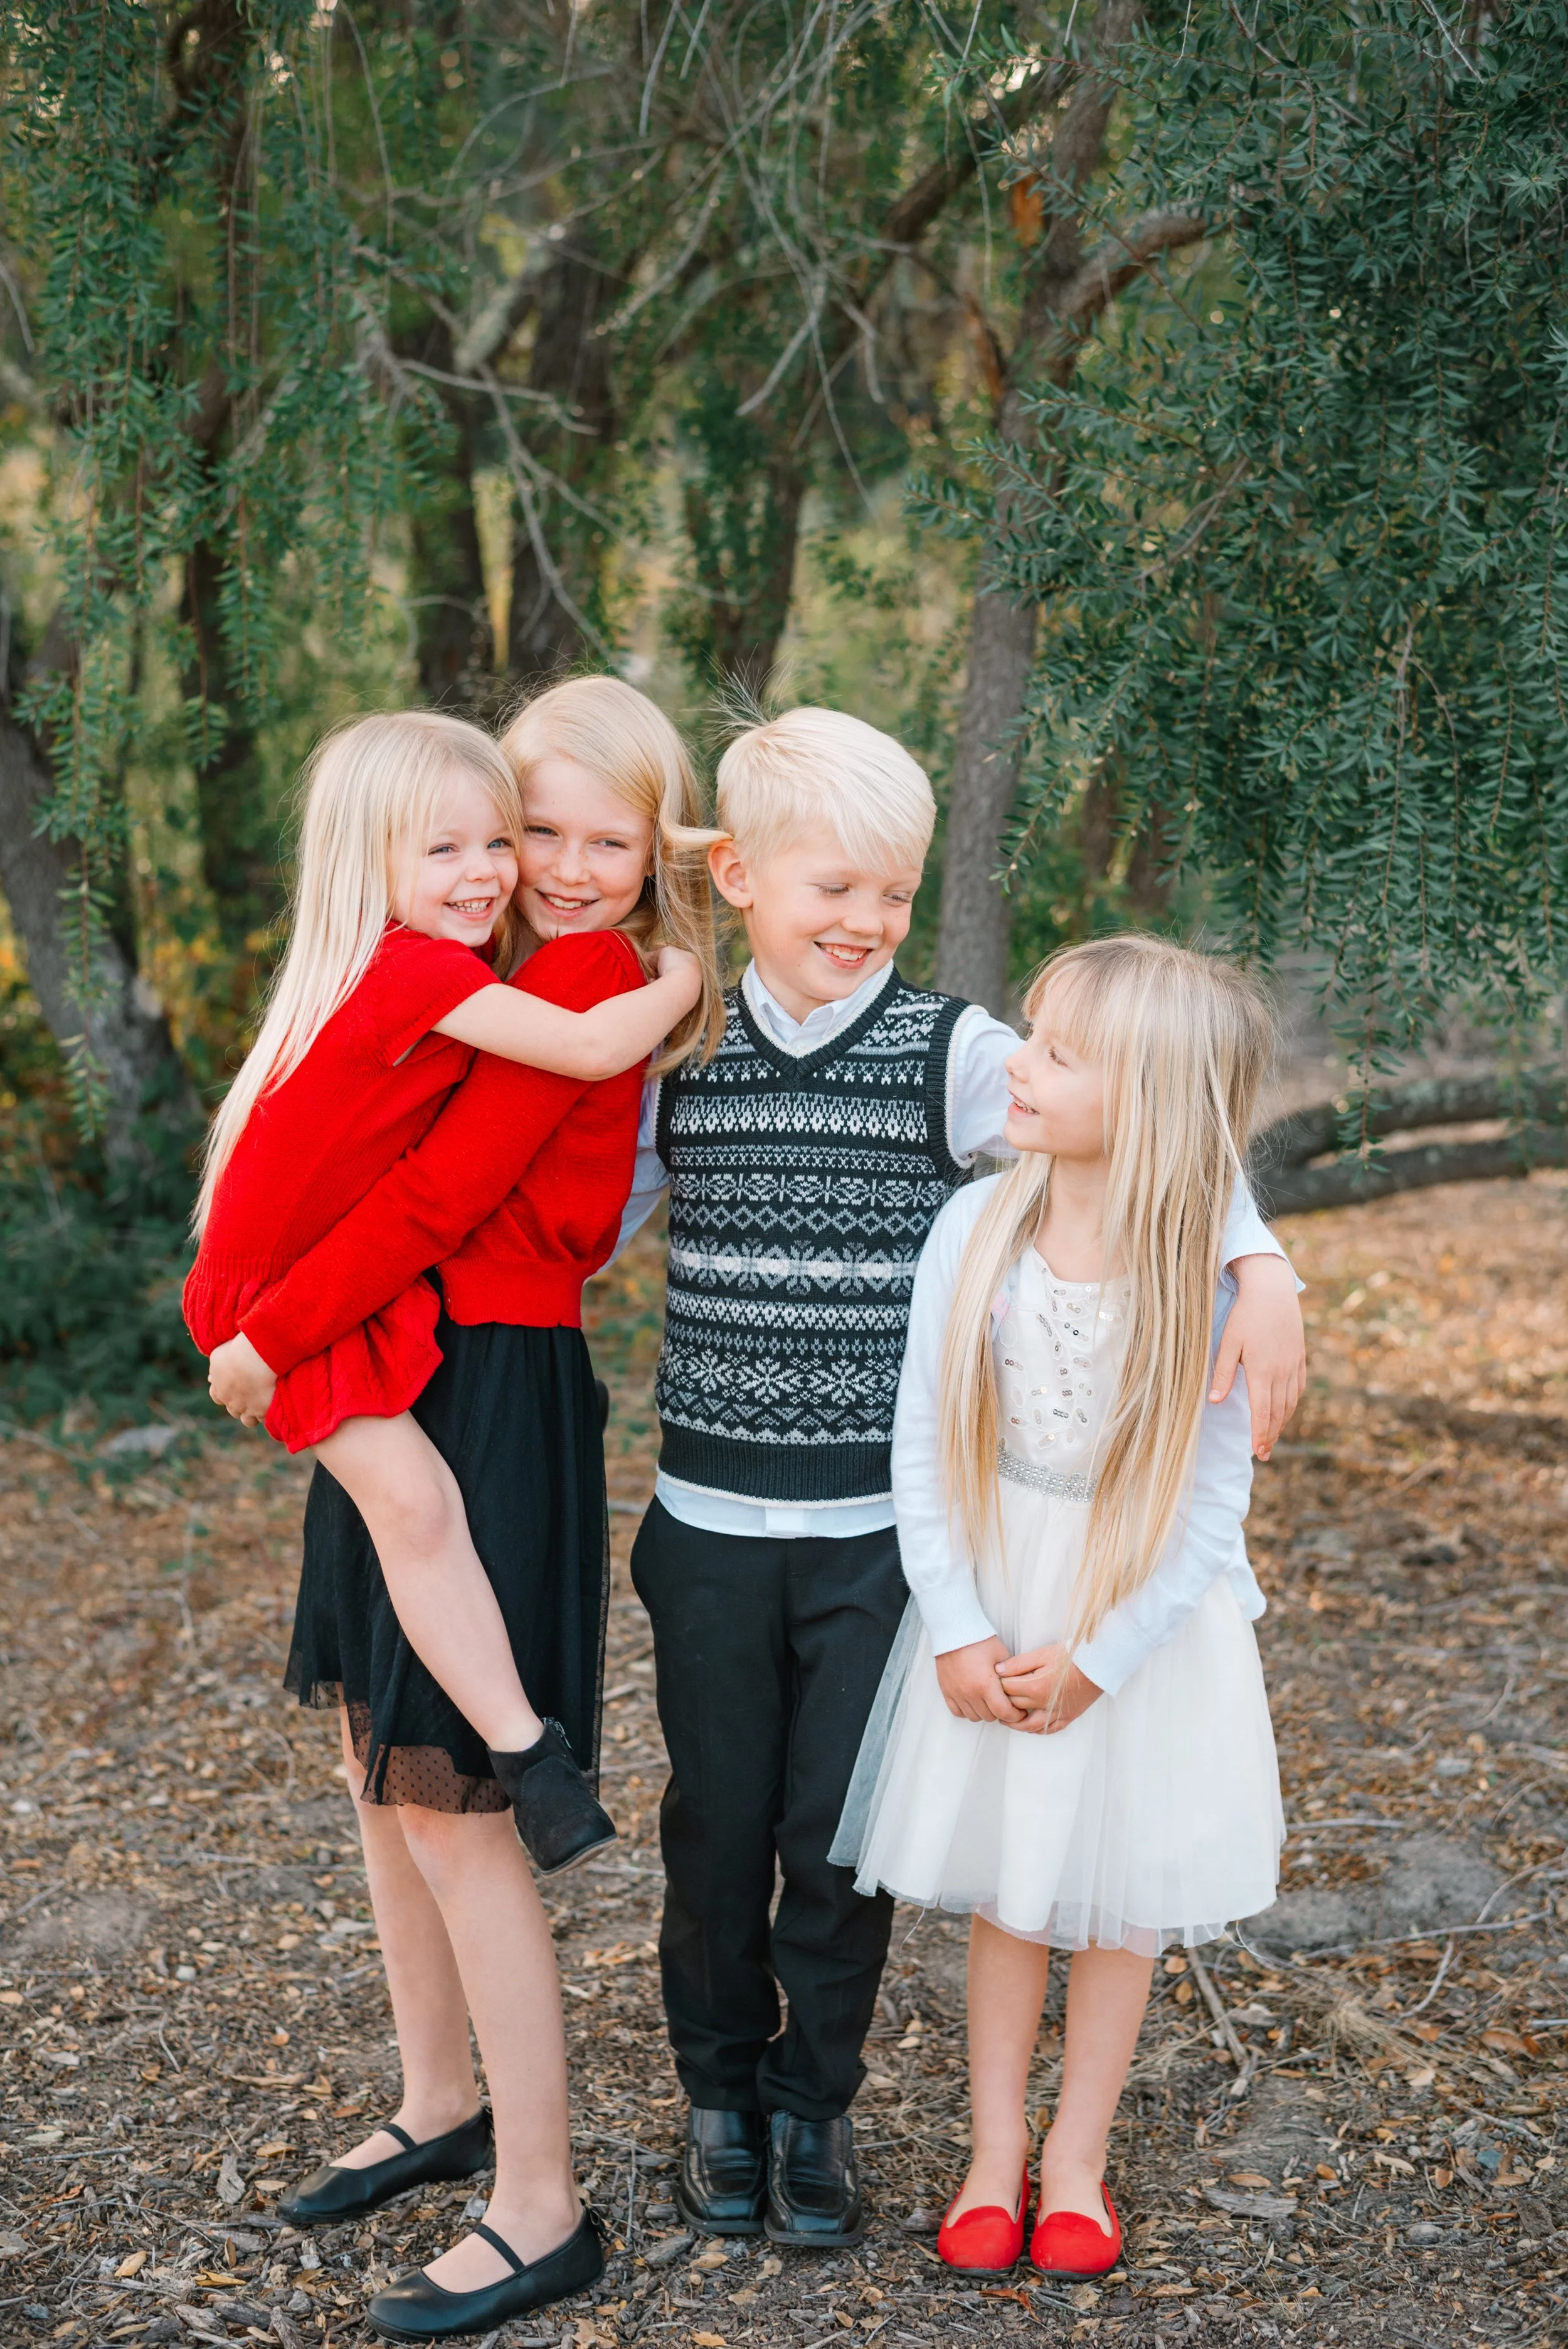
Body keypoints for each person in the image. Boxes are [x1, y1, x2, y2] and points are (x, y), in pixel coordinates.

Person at [614, 707, 1304, 2249]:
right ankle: (717, 2103)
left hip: (877, 1536)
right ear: (737, 876)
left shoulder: (952, 1055)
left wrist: (1257, 1263)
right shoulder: (677, 1053)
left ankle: (814, 2117)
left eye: (891, 894)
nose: (864, 923)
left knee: (831, 1842)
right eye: (831, 888)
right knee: (714, 1826)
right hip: (709, 1524)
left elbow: (1156, 1112)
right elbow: (572, 1217)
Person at [199, 682, 721, 2341]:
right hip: (411, 1353)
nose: (553, 868)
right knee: (381, 1768)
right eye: (526, 829)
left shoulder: (583, 978)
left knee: (451, 1799)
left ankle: (541, 2202)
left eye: (591, 838)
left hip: (479, 1379)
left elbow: (439, 1196)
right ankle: (443, 2101)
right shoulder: (493, 971)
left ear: (655, 854)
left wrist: (265, 1334)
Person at [831, 933, 1284, 2281]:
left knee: (1115, 1897)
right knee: (1011, 1887)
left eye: (1053, 1053)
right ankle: (989, 2152)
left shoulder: (1203, 1267)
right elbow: (919, 1440)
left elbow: (1210, 1504)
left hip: (1134, 1618)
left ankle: (1074, 2158)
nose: (1013, 1066)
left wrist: (1100, 1658)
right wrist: (959, 1624)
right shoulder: (977, 1226)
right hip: (997, 1576)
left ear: (1140, 1098)